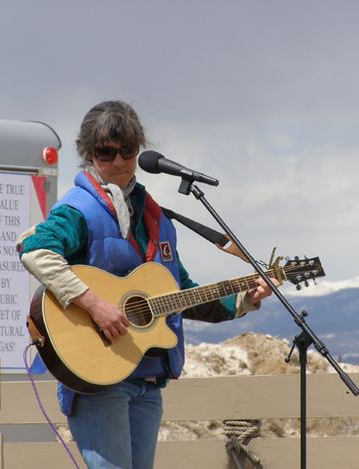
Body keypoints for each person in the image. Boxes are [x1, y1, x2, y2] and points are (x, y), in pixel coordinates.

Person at [18, 100, 276, 469]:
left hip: (148, 380)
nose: (119, 161)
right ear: (89, 154)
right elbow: (36, 249)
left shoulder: (156, 216)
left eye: (127, 150)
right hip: (100, 379)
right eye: (106, 152)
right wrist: (95, 304)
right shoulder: (79, 209)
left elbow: (180, 293)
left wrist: (242, 300)